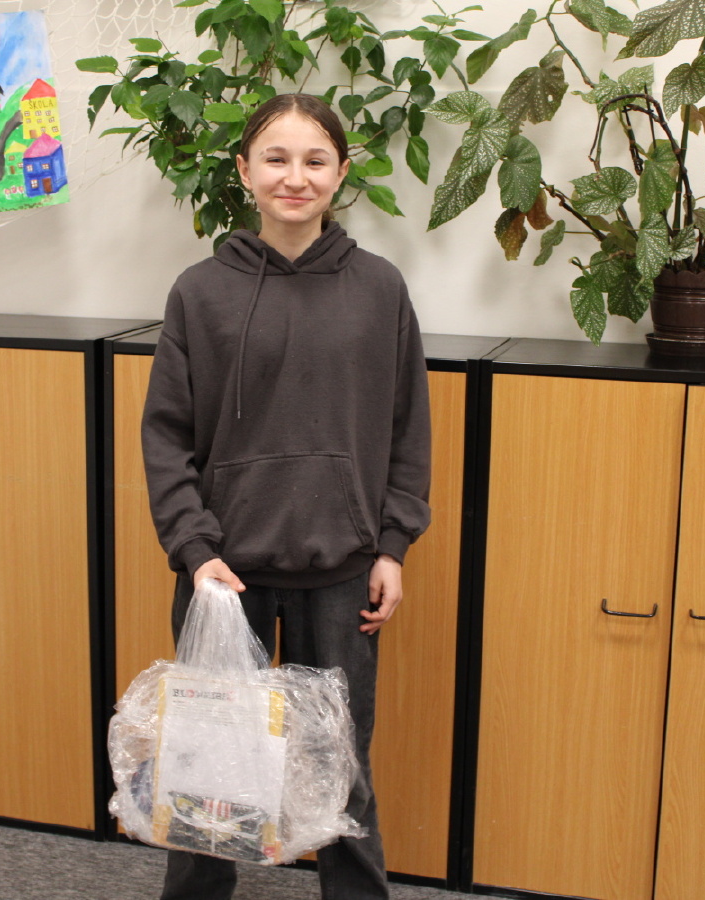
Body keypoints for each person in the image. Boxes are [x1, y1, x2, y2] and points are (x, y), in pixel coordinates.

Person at [140, 92, 432, 900]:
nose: (294, 177)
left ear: (341, 172)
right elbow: (165, 435)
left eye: (314, 160)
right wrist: (194, 548)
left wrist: (393, 545)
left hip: (342, 573)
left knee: (341, 768)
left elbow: (408, 428)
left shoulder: (379, 289)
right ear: (244, 171)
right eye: (275, 158)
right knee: (207, 770)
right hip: (223, 576)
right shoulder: (200, 292)